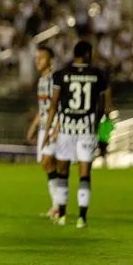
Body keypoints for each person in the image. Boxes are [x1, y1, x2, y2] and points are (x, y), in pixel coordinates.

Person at [42, 41, 109, 228]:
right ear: (87, 54)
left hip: (66, 130)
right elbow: (101, 107)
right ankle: (82, 218)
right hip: (87, 130)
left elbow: (54, 104)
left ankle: (62, 215)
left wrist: (48, 131)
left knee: (63, 172)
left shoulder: (61, 75)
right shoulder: (98, 75)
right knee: (84, 174)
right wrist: (95, 128)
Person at [26, 46, 59, 219]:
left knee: (49, 162)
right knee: (47, 165)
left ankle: (58, 206)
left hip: (53, 127)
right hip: (43, 127)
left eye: (41, 58)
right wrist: (33, 127)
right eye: (36, 58)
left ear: (50, 60)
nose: (37, 61)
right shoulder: (41, 81)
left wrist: (57, 128)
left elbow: (58, 106)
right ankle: (57, 205)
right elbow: (43, 109)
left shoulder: (54, 80)